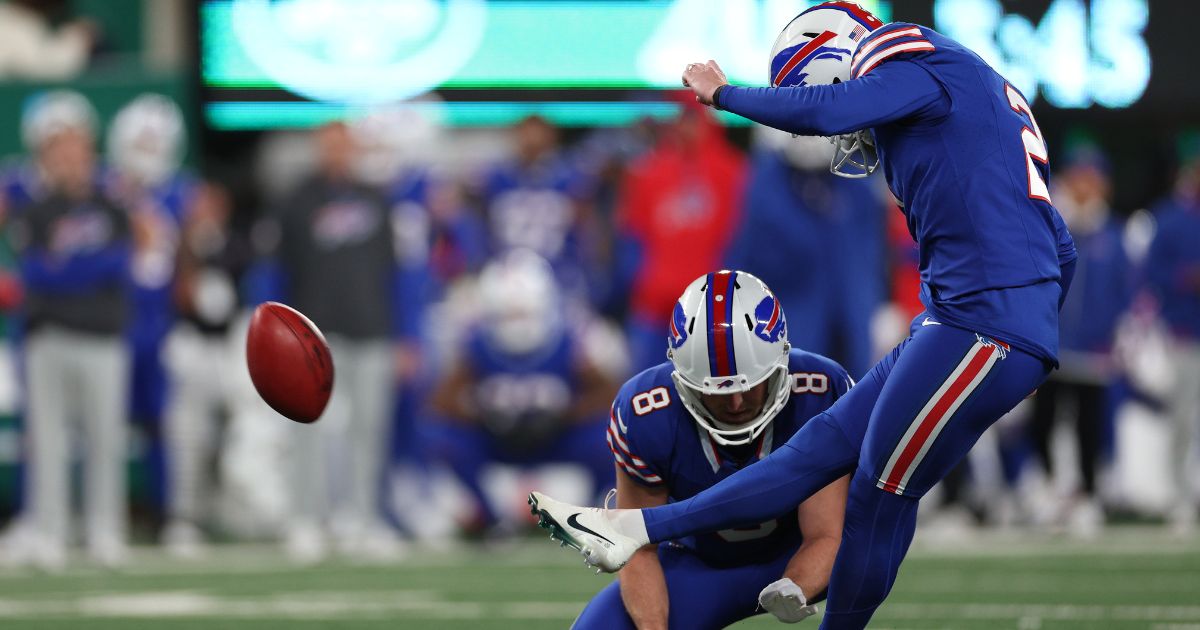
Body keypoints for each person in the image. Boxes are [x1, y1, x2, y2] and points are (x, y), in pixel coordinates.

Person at [527, 3, 1076, 628]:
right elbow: (1061, 245)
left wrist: (724, 93)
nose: (842, 140)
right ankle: (635, 528)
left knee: (878, 487)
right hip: (965, 315)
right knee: (822, 445)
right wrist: (1036, 322)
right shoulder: (966, 91)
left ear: (832, 58)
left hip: (981, 323)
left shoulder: (904, 53)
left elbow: (830, 110)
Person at [572, 270, 852, 629]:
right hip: (699, 564)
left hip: (794, 552)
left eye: (751, 386)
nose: (736, 402)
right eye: (717, 391)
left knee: (870, 537)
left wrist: (797, 583)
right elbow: (638, 546)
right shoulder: (647, 413)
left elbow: (826, 533)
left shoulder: (817, 391)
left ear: (780, 364)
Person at [254, 121, 404, 563]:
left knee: (368, 429)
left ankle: (363, 517)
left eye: (345, 145)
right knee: (308, 430)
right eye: (330, 144)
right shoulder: (296, 200)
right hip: (312, 335)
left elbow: (393, 271)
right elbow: (275, 268)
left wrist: (405, 333)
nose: (338, 153)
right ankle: (305, 519)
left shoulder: (377, 200)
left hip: (370, 326)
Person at [8, 98, 132, 569]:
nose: (68, 157)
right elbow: (35, 273)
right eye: (57, 149)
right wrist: (84, 270)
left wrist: (71, 270)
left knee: (105, 438)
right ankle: (51, 532)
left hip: (102, 335)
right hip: (50, 336)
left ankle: (106, 530)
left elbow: (119, 263)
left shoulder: (112, 203)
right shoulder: (34, 208)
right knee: (48, 441)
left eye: (75, 147)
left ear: (90, 150)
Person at [425, 250, 617, 536]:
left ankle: (588, 519)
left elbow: (613, 394)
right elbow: (440, 402)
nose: (516, 323)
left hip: (557, 438)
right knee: (443, 438)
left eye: (522, 313)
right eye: (507, 314)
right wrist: (482, 414)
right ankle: (490, 519)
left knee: (611, 436)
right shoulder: (476, 343)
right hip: (498, 439)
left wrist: (567, 413)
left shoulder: (571, 338)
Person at [1028, 142, 1131, 537]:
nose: (1086, 184)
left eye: (1093, 176)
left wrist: (1119, 334)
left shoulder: (1116, 234)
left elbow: (1125, 291)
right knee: (1044, 422)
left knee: (1090, 424)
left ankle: (1087, 494)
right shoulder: (1051, 223)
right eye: (1080, 175)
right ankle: (1049, 489)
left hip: (1094, 347)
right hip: (1051, 344)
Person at [1144, 132, 1200, 534]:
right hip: (1185, 330)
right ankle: (1179, 494)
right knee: (1182, 418)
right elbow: (1151, 275)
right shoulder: (1168, 217)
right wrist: (1184, 279)